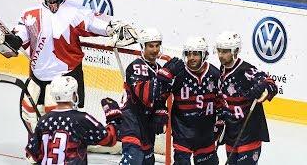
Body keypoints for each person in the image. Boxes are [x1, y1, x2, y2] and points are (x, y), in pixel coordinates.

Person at [0, 0, 136, 132]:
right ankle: (36, 150)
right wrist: (14, 40)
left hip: (65, 76)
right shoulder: (29, 14)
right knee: (29, 114)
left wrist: (113, 28)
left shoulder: (75, 11)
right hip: (37, 75)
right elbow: (19, 36)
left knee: (59, 119)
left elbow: (95, 23)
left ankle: (61, 149)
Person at [119, 28, 184, 164]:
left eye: (157, 45)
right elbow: (146, 96)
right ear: (143, 46)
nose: (155, 50)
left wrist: (161, 110)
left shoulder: (157, 68)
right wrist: (165, 74)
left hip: (147, 126)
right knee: (134, 161)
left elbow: (161, 96)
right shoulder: (137, 66)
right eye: (150, 46)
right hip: (132, 123)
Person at [25, 75, 122, 164]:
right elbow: (109, 140)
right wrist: (113, 118)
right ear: (73, 95)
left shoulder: (43, 120)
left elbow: (32, 153)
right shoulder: (82, 119)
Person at [215, 31, 278, 165]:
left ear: (235, 51)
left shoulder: (245, 70)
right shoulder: (222, 70)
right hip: (232, 133)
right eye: (219, 51)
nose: (221, 55)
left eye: (225, 51)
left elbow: (269, 82)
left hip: (249, 133)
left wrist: (266, 89)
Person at [158, 36, 221, 165]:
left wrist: (221, 121)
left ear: (204, 55)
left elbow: (222, 101)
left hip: (206, 135)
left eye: (196, 54)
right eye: (188, 54)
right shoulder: (178, 74)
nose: (191, 58)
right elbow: (159, 96)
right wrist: (160, 113)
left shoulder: (215, 74)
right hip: (182, 134)